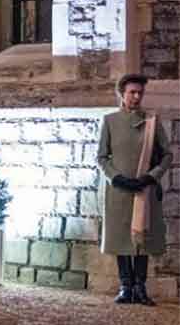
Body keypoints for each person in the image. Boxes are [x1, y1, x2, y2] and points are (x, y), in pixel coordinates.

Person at [97, 73, 173, 306]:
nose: (137, 96)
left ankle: (140, 289)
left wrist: (151, 177)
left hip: (145, 190)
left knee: (143, 239)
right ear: (122, 94)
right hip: (119, 190)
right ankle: (125, 287)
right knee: (121, 238)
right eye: (132, 92)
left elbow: (167, 155)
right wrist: (116, 178)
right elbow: (101, 157)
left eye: (140, 92)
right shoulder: (109, 121)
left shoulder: (152, 122)